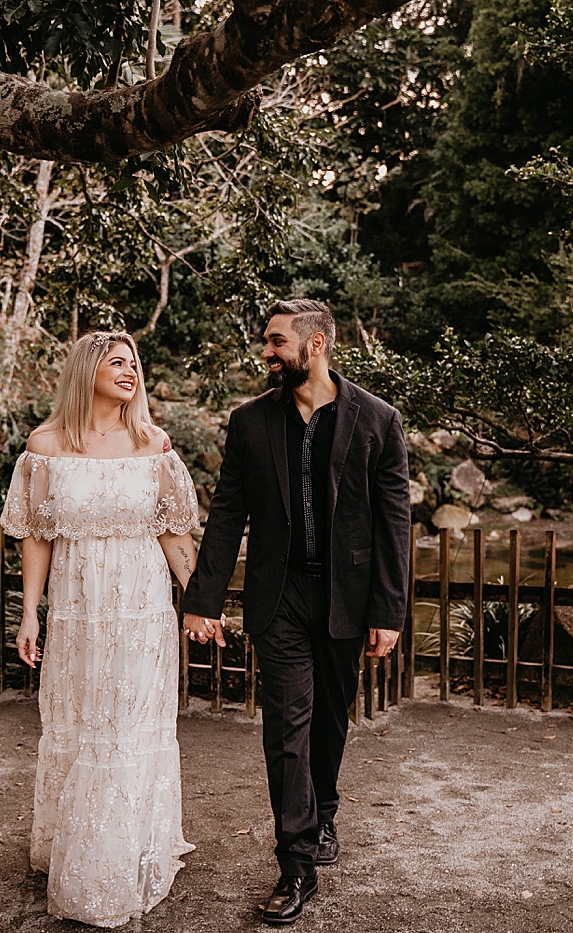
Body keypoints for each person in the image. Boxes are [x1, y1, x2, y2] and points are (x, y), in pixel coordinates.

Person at [181, 299, 412, 925]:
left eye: (277, 341)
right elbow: (227, 513)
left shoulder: (378, 420)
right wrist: (203, 601)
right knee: (286, 730)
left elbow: (394, 525)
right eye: (267, 340)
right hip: (278, 597)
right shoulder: (250, 421)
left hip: (346, 599)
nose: (267, 352)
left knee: (330, 723)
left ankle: (323, 812)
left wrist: (389, 612)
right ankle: (296, 866)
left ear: (315, 345)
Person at [2, 331, 205, 928]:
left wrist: (200, 601)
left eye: (134, 363)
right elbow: (37, 535)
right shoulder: (45, 446)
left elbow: (173, 532)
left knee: (128, 728)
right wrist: (30, 612)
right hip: (77, 612)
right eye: (117, 362)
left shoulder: (153, 444)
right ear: (86, 371)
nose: (130, 371)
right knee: (82, 724)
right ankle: (74, 845)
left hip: (143, 611)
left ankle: (121, 855)